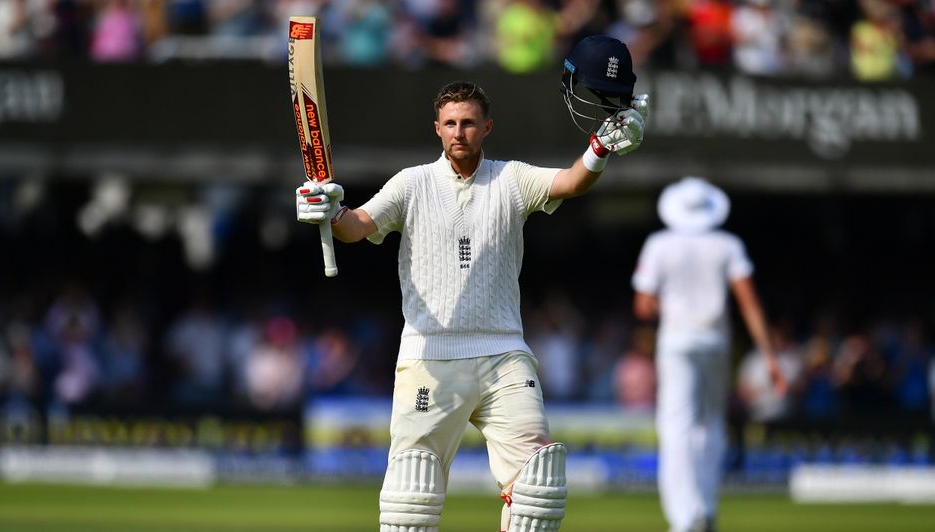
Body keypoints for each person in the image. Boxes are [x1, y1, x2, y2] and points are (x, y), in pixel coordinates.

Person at [296, 35, 648, 532]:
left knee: (538, 486)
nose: (459, 132)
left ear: (486, 127)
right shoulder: (411, 183)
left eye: (468, 123)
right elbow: (356, 227)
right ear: (436, 129)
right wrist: (328, 211)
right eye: (450, 124)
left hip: (503, 353)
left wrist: (600, 149)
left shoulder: (511, 179)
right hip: (430, 355)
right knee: (409, 499)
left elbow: (571, 182)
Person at [631, 176, 786, 532]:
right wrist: (771, 358)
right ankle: (706, 505)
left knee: (677, 428)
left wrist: (665, 303)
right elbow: (749, 305)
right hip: (715, 343)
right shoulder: (727, 244)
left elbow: (642, 306)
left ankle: (685, 517)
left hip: (677, 343)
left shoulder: (659, 244)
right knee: (710, 425)